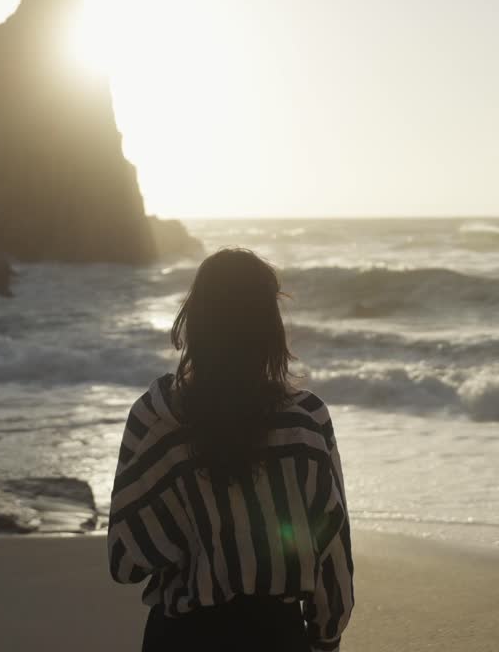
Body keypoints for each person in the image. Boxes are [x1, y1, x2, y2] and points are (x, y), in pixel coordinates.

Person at [108, 248, 354, 652]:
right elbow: (332, 550)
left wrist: (202, 527)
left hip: (182, 637)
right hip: (277, 636)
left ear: (196, 321)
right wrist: (326, 637)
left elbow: (126, 560)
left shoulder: (155, 419)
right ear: (270, 328)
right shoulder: (307, 422)